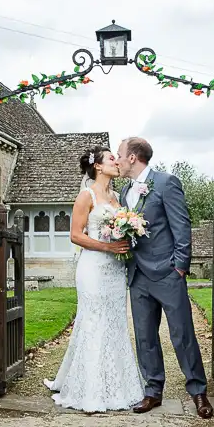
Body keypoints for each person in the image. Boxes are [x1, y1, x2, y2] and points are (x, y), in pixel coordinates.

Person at [116, 137, 214, 419]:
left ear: (133, 158)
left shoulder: (166, 182)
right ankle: (152, 391)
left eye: (120, 155)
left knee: (182, 334)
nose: (118, 160)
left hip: (167, 273)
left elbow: (181, 225)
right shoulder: (125, 192)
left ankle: (198, 392)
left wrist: (180, 267)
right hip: (138, 274)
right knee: (145, 336)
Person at [43, 147, 144, 411]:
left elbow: (120, 232)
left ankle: (117, 385)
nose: (116, 161)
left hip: (114, 270)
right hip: (93, 267)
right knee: (93, 321)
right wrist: (107, 247)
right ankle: (89, 389)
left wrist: (126, 235)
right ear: (98, 166)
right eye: (111, 158)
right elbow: (76, 235)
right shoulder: (85, 196)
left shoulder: (118, 198)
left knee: (114, 322)